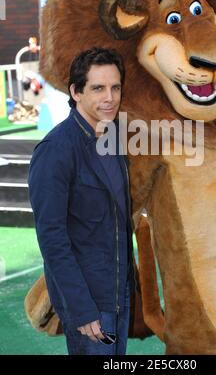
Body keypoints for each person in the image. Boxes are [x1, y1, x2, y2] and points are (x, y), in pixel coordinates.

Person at [28, 47, 136, 355]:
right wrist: (81, 308)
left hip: (119, 293)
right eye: (98, 88)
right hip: (90, 302)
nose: (110, 97)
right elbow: (52, 239)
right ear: (76, 91)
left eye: (115, 87)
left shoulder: (113, 138)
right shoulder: (55, 151)